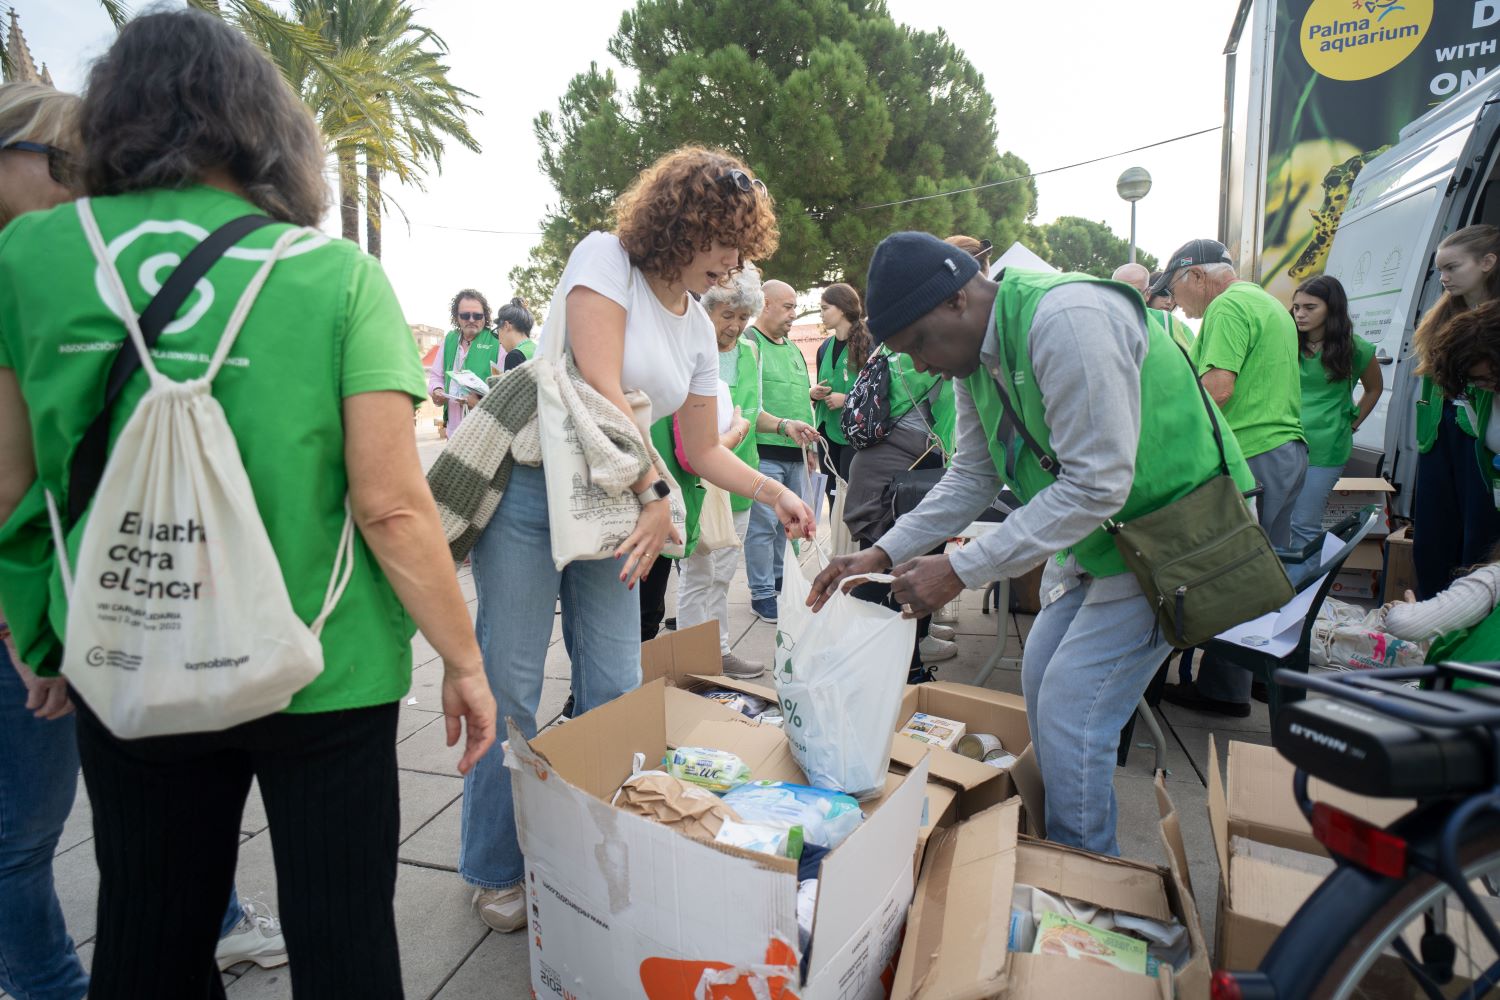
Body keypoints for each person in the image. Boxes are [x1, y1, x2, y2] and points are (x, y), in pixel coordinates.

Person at [0, 13, 495, 998]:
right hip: (325, 665)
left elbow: (13, 485)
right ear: (263, 124)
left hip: (131, 642)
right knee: (344, 934)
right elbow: (394, 507)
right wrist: (463, 660)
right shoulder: (336, 275)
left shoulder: (32, 259)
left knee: (147, 928)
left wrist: (38, 633)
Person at [458, 146, 814, 933]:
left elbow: (705, 446)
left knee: (616, 682)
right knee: (512, 687)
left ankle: (597, 843)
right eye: (726, 247)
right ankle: (493, 866)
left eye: (742, 253)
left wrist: (775, 491)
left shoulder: (697, 324)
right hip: (531, 490)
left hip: (620, 509)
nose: (732, 267)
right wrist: (656, 494)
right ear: (685, 224)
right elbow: (599, 387)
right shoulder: (604, 258)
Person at [809, 232, 1253, 855]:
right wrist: (880, 552)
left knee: (1074, 713)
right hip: (1112, 541)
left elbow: (1098, 482)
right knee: (1043, 682)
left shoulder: (1067, 318)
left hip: (1177, 534)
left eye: (918, 345)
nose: (920, 365)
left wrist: (961, 568)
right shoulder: (975, 356)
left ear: (959, 300)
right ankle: (1064, 857)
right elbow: (972, 474)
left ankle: (1082, 879)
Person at [0, 79, 290, 997]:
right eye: (60, 161)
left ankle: (220, 917)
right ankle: (46, 981)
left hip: (82, 587)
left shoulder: (71, 261)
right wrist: (25, 625)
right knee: (24, 826)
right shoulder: (24, 268)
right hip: (37, 596)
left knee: (146, 783)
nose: (80, 181)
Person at [1154, 238, 1306, 717]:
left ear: (1198, 276)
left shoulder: (1227, 306)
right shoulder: (1266, 302)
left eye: (1177, 289)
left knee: (1228, 574)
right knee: (1262, 576)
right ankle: (1254, 679)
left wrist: (1165, 430)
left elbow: (1216, 388)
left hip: (1252, 452)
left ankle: (1224, 690)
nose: (1178, 303)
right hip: (1286, 452)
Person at [676, 265, 768, 678]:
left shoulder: (748, 352)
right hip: (698, 482)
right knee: (698, 574)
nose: (735, 326)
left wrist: (783, 425)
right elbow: (696, 439)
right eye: (727, 315)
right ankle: (695, 660)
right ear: (707, 310)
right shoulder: (688, 350)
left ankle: (720, 650)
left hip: (738, 480)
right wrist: (733, 433)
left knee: (723, 575)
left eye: (742, 317)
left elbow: (750, 408)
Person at [1412, 225, 1500, 599]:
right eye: (1441, 270)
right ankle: (1433, 604)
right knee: (1434, 528)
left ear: (1487, 262)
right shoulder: (1443, 314)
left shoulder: (1490, 319)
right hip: (1439, 432)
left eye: (1453, 267)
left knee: (1478, 529)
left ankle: (1466, 607)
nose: (1444, 278)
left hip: (1480, 439)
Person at [743, 278, 820, 623]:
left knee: (788, 525)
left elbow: (802, 399)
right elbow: (748, 402)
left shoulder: (791, 347)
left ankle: (781, 579)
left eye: (795, 307)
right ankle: (761, 593)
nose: (793, 314)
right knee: (762, 527)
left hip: (796, 454)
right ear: (765, 304)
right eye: (787, 306)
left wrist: (812, 449)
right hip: (763, 451)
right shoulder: (749, 343)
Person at [1288, 275, 1383, 548]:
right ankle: (1280, 590)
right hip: (1281, 445)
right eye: (1296, 307)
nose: (1300, 314)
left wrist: (1352, 423)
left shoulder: (1356, 348)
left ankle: (1305, 591)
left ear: (1332, 308)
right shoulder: (1285, 341)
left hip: (1326, 448)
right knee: (1274, 526)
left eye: (1310, 307)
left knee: (1304, 525)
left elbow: (1375, 388)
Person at [812, 283, 869, 501]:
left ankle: (850, 537)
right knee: (833, 496)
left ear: (843, 308)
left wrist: (846, 399)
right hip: (825, 434)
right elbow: (818, 387)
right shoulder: (824, 347)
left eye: (825, 308)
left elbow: (881, 393)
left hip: (855, 436)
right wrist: (813, 393)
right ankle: (837, 537)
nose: (821, 314)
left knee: (851, 497)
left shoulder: (869, 343)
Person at [426, 289, 501, 436]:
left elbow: (505, 388)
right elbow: (436, 376)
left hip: (484, 432)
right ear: (457, 317)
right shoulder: (449, 339)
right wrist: (436, 390)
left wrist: (480, 403)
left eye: (477, 315)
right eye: (465, 315)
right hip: (453, 431)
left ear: (485, 316)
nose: (472, 320)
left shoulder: (497, 341)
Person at [1115, 261, 1193, 350]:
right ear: (1149, 292)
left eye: (1174, 295)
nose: (1169, 301)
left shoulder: (1183, 329)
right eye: (1162, 293)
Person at [496, 295, 536, 372]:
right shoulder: (538, 349)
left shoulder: (514, 356)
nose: (499, 341)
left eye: (497, 332)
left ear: (506, 325)